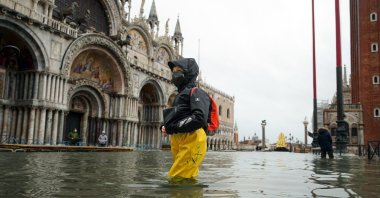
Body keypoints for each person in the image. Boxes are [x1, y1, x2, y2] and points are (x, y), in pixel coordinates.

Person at [161, 58, 210, 183]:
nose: (174, 74)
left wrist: (173, 127)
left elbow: (199, 118)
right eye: (173, 71)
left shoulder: (197, 92)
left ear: (189, 73)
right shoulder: (180, 95)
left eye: (178, 70)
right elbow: (180, 115)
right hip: (179, 139)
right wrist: (165, 125)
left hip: (192, 138)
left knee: (177, 178)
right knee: (186, 176)